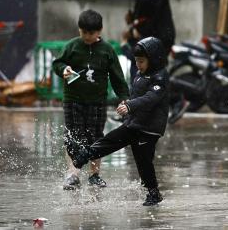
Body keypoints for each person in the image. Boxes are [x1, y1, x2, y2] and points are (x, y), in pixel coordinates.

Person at [71, 37, 170, 206]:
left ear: (153, 60)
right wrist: (126, 103)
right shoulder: (141, 74)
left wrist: (130, 106)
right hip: (135, 123)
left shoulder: (160, 78)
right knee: (112, 139)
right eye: (136, 61)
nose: (138, 65)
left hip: (149, 129)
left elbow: (150, 98)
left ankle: (153, 193)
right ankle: (86, 154)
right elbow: (135, 94)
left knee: (143, 162)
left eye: (141, 61)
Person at [52, 9, 130, 190]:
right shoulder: (72, 46)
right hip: (73, 100)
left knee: (96, 137)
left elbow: (117, 77)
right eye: (83, 32)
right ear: (79, 30)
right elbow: (58, 63)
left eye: (91, 33)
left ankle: (94, 174)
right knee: (73, 136)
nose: (87, 36)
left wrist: (124, 98)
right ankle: (73, 173)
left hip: (97, 102)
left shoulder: (107, 50)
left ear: (99, 31)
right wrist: (64, 70)